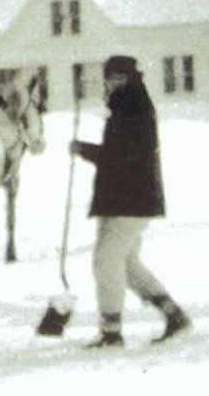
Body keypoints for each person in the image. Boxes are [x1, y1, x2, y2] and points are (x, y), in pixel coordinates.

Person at [70, 54, 191, 347]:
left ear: (123, 77)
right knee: (126, 262)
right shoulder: (127, 103)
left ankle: (111, 333)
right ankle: (173, 315)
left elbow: (122, 155)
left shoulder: (131, 105)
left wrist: (85, 150)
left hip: (130, 198)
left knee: (106, 260)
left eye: (111, 77)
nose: (107, 83)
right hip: (126, 197)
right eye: (107, 78)